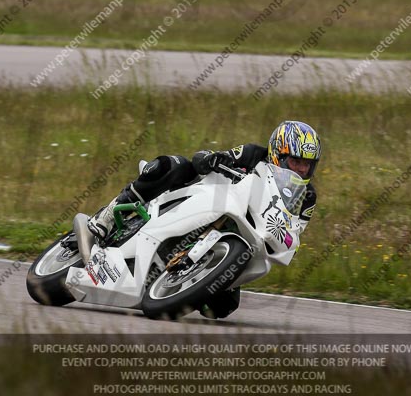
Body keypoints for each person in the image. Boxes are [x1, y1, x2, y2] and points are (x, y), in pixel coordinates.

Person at [88, 120, 321, 319]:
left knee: (222, 308)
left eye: (306, 164)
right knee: (173, 166)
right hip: (207, 198)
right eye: (295, 161)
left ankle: (182, 282)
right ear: (277, 154)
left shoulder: (307, 198)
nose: (301, 169)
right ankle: (108, 215)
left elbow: (296, 232)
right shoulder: (253, 155)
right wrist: (212, 159)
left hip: (246, 235)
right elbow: (211, 158)